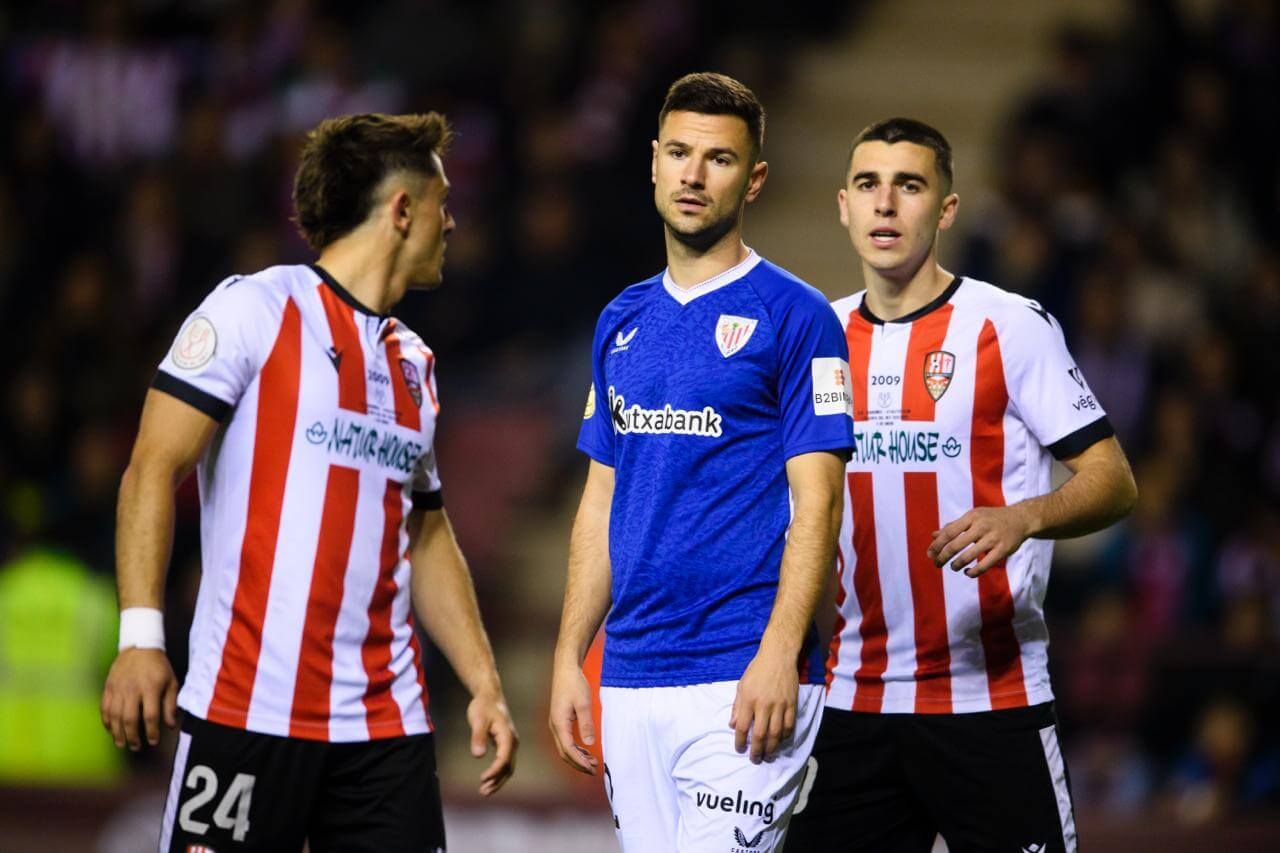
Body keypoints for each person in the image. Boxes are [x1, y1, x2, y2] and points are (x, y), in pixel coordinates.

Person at [100, 112, 517, 852]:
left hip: (385, 731)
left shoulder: (414, 362)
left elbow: (424, 527)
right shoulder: (252, 310)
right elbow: (150, 469)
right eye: (443, 202)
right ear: (401, 209)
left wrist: (483, 679)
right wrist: (140, 637)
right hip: (247, 709)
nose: (452, 222)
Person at [786, 118, 1139, 853]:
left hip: (991, 697)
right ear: (843, 205)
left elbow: (1114, 480)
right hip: (854, 701)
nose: (886, 204)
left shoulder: (1010, 327)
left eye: (908, 185)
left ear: (945, 209)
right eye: (868, 185)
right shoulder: (813, 335)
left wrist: (1025, 517)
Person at [548, 72, 855, 852]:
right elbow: (599, 502)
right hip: (633, 674)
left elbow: (819, 503)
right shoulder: (621, 320)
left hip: (742, 676)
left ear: (753, 179)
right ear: (652, 161)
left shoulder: (800, 317)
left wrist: (781, 651)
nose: (693, 174)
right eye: (679, 153)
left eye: (717, 159)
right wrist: (567, 657)